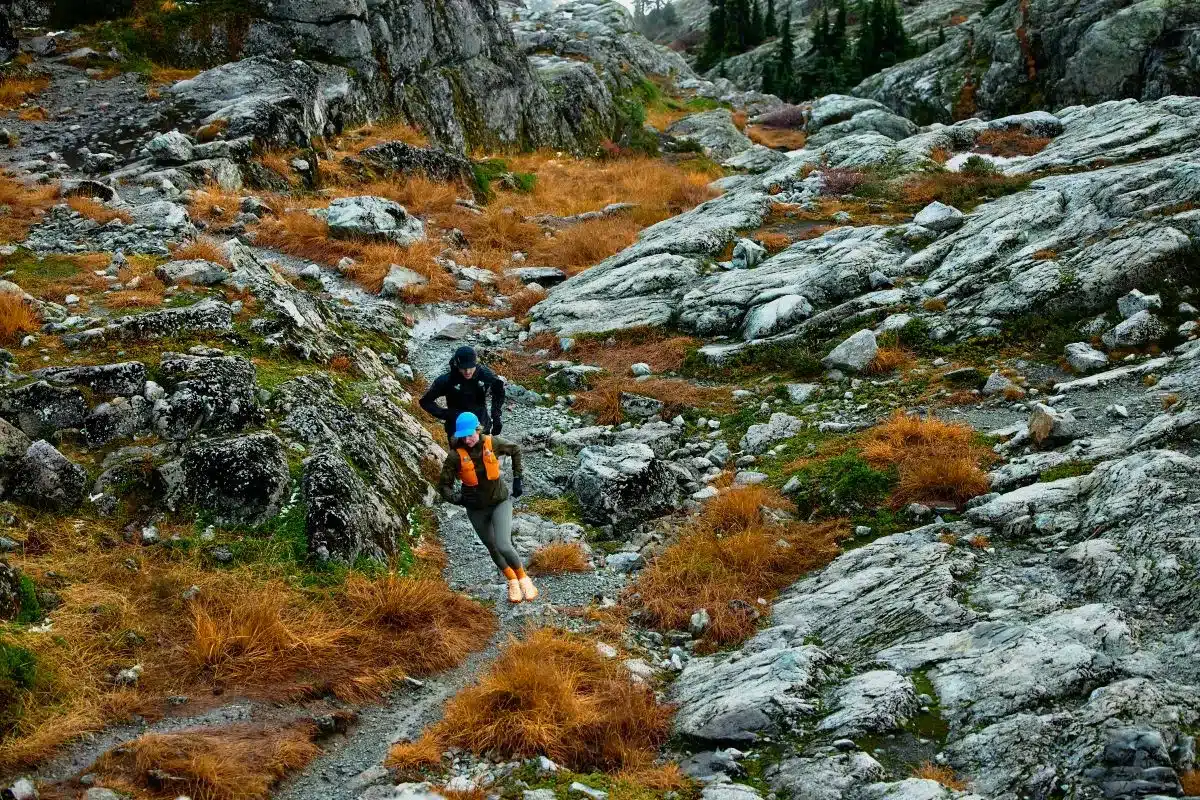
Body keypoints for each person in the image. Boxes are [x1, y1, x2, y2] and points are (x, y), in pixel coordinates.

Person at [439, 411, 537, 603]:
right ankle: (512, 582)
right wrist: (457, 499)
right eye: (463, 436)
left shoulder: (493, 443)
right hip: (476, 510)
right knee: (492, 547)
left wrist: (518, 478)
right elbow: (443, 485)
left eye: (471, 434)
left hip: (500, 502)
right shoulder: (454, 456)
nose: (467, 440)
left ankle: (524, 578)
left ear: (478, 429)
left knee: (504, 545)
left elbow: (516, 449)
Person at [420, 345, 506, 442]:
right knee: (460, 456)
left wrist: (496, 416)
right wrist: (447, 414)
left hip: (481, 425)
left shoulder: (485, 375)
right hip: (457, 428)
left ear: (475, 363)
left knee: (484, 455)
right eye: (463, 368)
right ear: (457, 365)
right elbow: (425, 401)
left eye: (470, 367)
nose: (468, 371)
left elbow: (499, 391)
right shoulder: (447, 380)